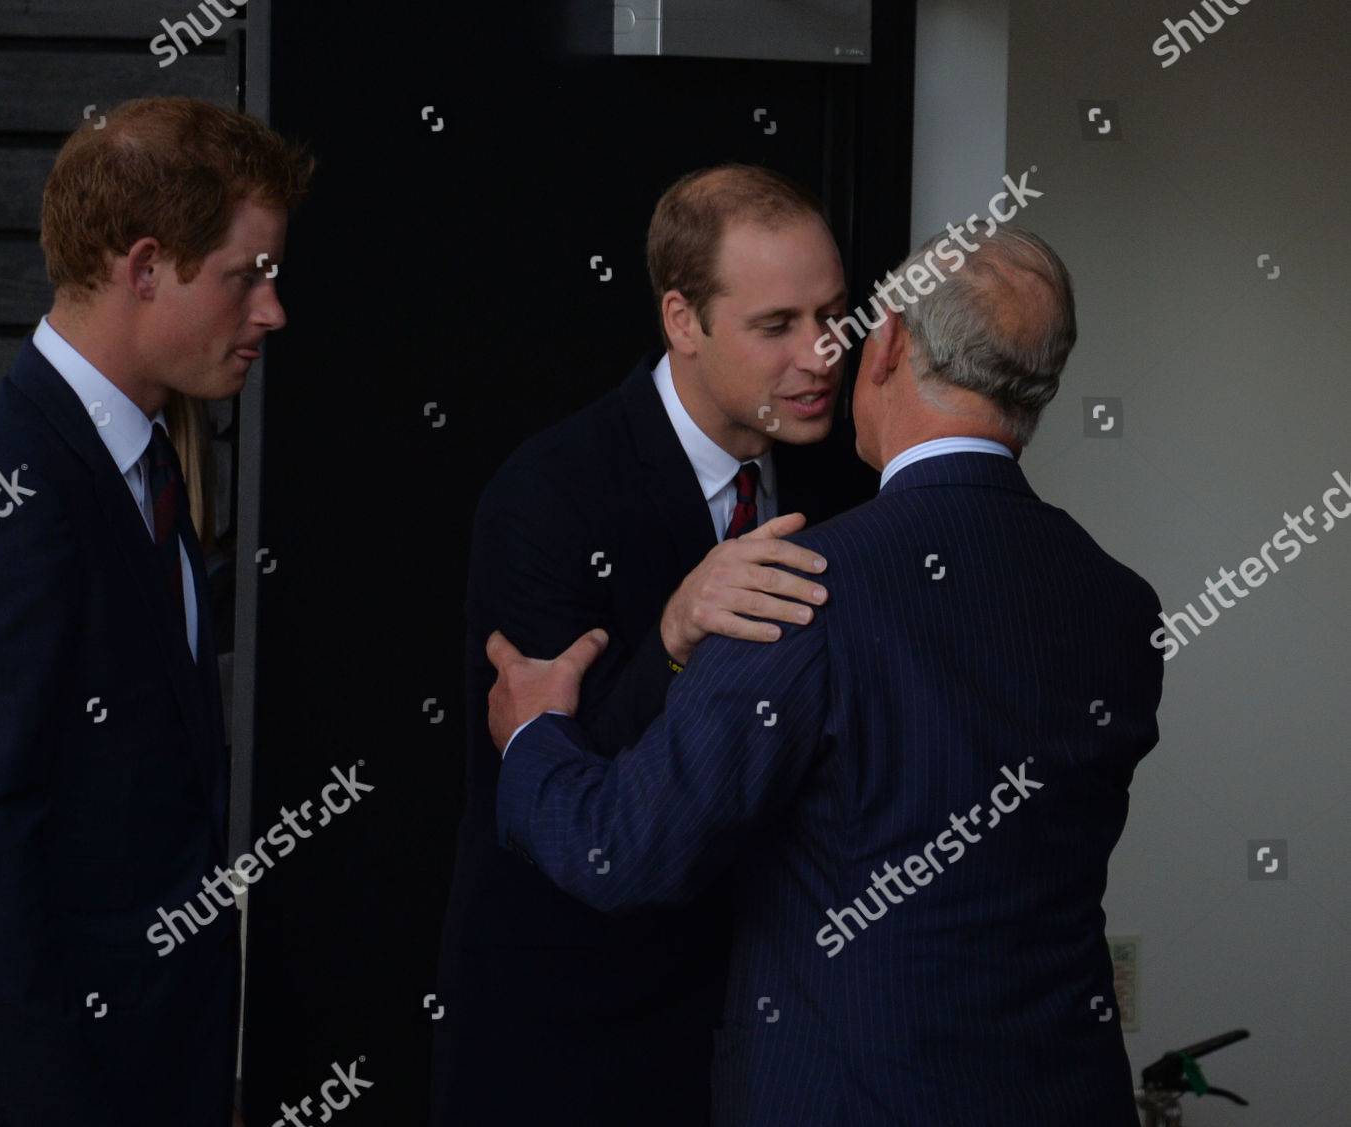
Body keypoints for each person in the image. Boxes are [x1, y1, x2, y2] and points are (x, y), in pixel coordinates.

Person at [487, 226, 1166, 1125]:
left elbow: (626, 849)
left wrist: (533, 733)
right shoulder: (1120, 604)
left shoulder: (799, 593)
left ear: (885, 346)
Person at [0, 96, 313, 1126]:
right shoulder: (3, 495)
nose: (272, 312)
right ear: (146, 265)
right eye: (248, 277)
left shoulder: (146, 462)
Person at [432, 165, 877, 1125]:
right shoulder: (549, 493)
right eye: (778, 326)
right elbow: (554, 777)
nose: (823, 352)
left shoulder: (849, 477)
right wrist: (675, 635)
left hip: (768, 1026)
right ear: (683, 321)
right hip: (577, 1033)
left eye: (835, 313)